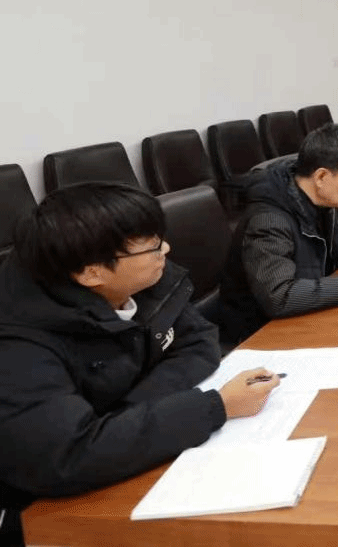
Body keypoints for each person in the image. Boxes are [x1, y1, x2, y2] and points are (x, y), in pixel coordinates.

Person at [0, 183, 278, 540]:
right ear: (91, 273)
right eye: (152, 246)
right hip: (48, 512)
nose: (166, 249)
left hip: (125, 456)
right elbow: (68, 455)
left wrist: (129, 415)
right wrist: (214, 407)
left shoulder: (137, 278)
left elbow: (198, 339)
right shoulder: (18, 345)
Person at [219, 124, 338, 345]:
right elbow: (280, 296)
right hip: (261, 337)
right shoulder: (269, 221)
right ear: (321, 176)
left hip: (310, 318)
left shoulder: (321, 197)